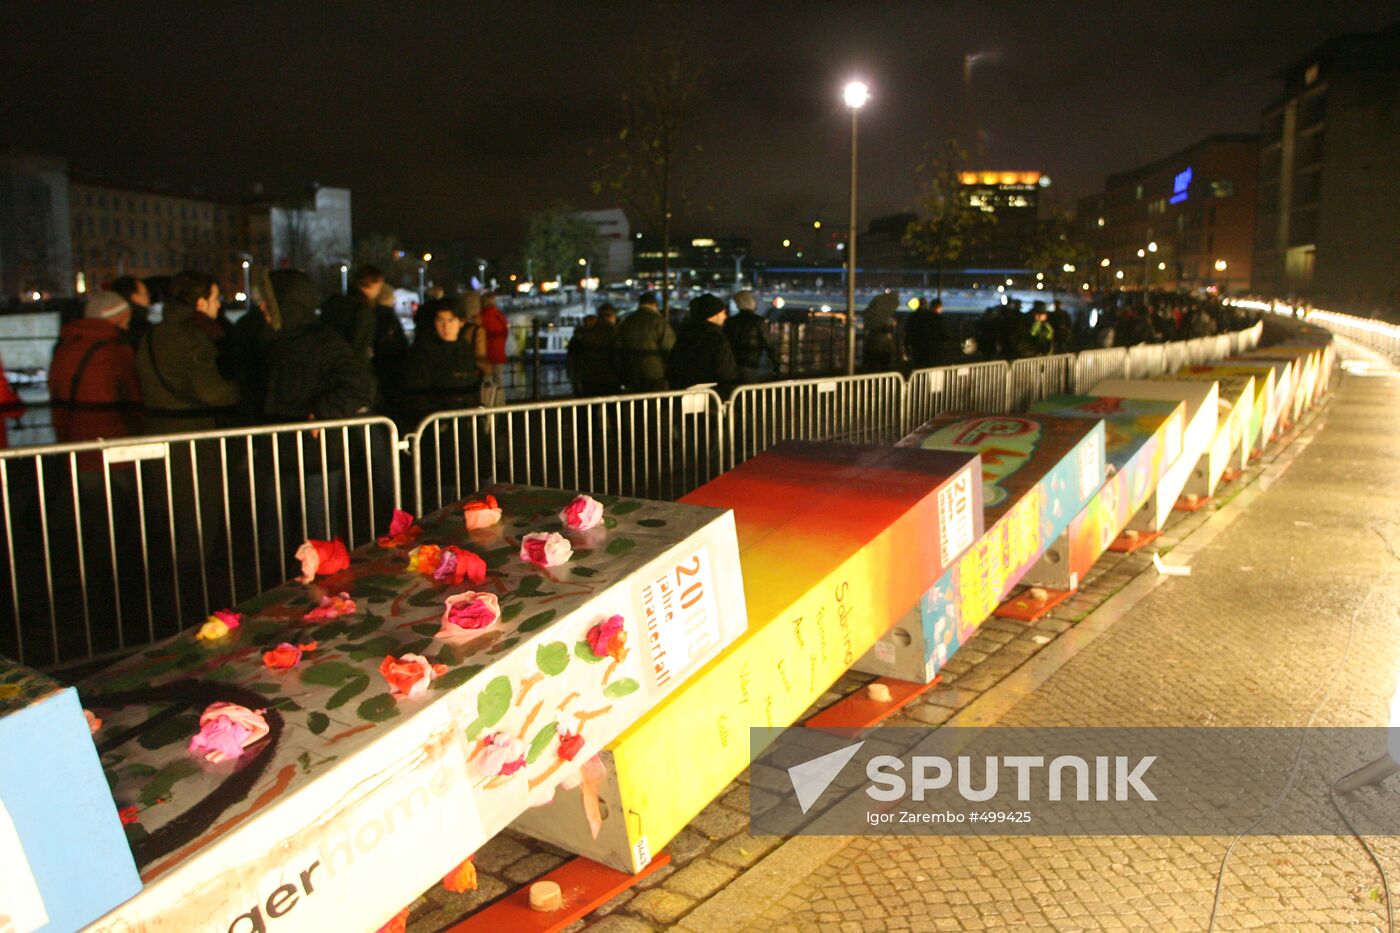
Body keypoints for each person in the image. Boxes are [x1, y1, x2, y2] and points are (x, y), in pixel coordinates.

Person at [260, 269, 375, 424]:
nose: (262, 307)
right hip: (283, 434)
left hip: (309, 435)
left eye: (269, 302)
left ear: (287, 304)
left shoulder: (324, 343)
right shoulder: (272, 340)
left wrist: (322, 412)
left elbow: (359, 386)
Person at [136, 270, 240, 434]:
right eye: (215, 299)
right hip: (192, 430)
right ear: (201, 303)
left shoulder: (151, 334)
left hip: (156, 428)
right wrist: (242, 392)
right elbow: (211, 392)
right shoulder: (195, 337)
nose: (219, 305)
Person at [49, 290, 143, 443]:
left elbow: (56, 395)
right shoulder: (117, 350)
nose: (127, 327)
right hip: (114, 439)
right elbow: (133, 397)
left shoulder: (64, 347)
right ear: (115, 318)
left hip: (73, 438)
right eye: (125, 321)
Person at [401, 298, 485, 421]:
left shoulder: (465, 348)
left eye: (451, 320)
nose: (446, 326)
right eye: (440, 320)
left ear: (461, 322)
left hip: (465, 418)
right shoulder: (423, 351)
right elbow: (417, 390)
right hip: (438, 420)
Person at [667, 293, 739, 397]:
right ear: (713, 314)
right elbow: (725, 371)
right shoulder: (716, 338)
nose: (725, 316)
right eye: (723, 312)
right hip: (712, 395)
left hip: (684, 393)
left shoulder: (685, 335)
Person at [617, 291, 676, 392]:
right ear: (654, 304)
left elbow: (618, 346)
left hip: (631, 370)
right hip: (655, 372)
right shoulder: (659, 321)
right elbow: (669, 348)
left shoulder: (628, 321)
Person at [723, 290, 779, 383]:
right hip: (751, 362)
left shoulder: (730, 322)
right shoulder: (758, 322)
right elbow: (769, 344)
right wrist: (776, 364)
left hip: (732, 364)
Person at [568, 304, 622, 396]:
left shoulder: (586, 333)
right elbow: (618, 356)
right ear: (613, 316)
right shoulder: (616, 332)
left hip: (589, 379)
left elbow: (575, 357)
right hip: (610, 379)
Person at [904, 297, 948, 369]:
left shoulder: (912, 317)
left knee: (919, 369)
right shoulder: (934, 317)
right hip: (932, 350)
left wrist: (907, 348)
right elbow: (943, 334)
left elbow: (907, 334)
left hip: (917, 350)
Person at [110, 275, 152, 348]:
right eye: (145, 293)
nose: (148, 297)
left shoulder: (111, 324)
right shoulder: (141, 325)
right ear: (134, 297)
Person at [861, 292, 899, 371]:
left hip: (874, 347)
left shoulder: (872, 321)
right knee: (884, 365)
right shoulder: (884, 323)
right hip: (882, 348)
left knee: (874, 366)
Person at [479, 291, 510, 387]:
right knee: (498, 379)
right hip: (499, 351)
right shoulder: (499, 315)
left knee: (486, 380)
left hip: (486, 353)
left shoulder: (483, 316)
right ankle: (499, 396)